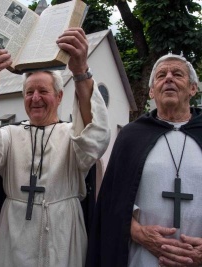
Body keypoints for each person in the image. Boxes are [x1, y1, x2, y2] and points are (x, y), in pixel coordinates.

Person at [0, 27, 110, 267]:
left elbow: (95, 140)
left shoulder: (72, 136)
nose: (35, 98)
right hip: (14, 232)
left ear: (60, 96)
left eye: (43, 91)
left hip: (64, 231)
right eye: (29, 92)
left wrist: (80, 71)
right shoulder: (10, 134)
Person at [89, 53, 202, 266]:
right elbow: (112, 201)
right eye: (161, 75)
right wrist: (137, 231)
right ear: (151, 91)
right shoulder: (131, 136)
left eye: (177, 74)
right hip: (143, 257)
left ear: (193, 88)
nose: (169, 78)